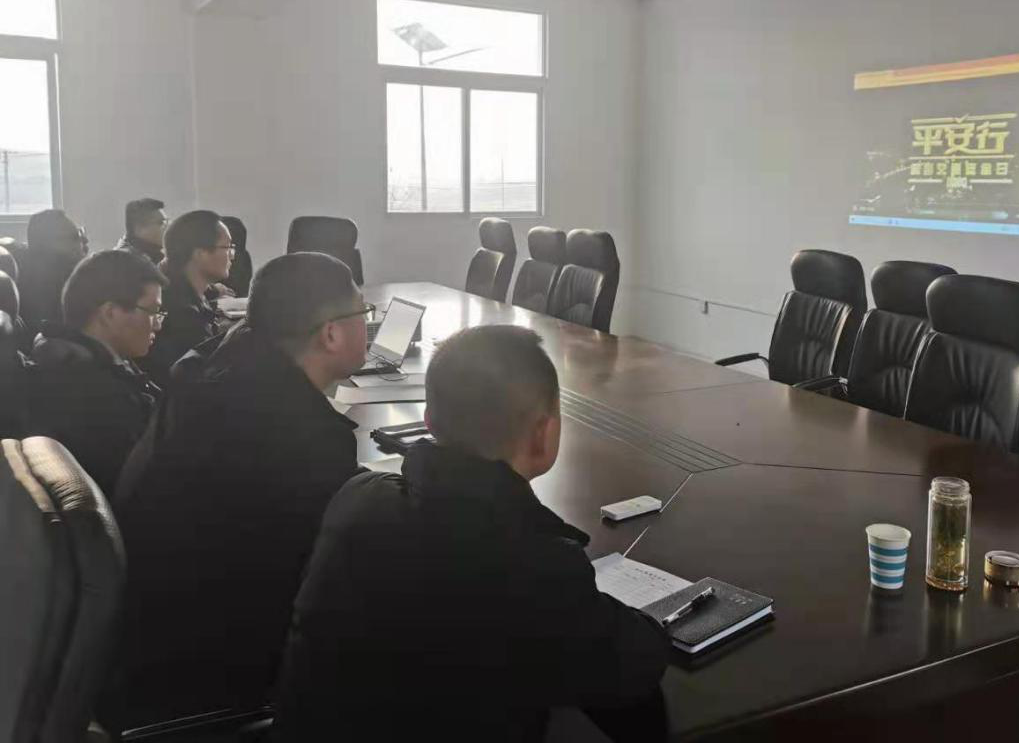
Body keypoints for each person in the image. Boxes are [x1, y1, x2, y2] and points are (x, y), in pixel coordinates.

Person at [274, 326, 670, 743]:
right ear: (543, 434)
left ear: (429, 421)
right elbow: (633, 664)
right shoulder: (535, 564)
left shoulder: (358, 497)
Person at [108, 252, 367, 730]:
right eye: (362, 314)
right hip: (212, 668)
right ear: (330, 334)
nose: (367, 326)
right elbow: (326, 579)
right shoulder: (303, 435)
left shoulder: (206, 369)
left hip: (150, 635)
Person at [28, 251, 165, 497]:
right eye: (152, 311)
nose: (158, 323)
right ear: (110, 313)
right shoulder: (95, 394)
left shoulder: (84, 358)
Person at [143, 209, 234, 383]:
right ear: (199, 253)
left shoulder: (187, 291)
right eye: (227, 247)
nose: (232, 255)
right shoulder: (181, 312)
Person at [13, 208, 87, 332]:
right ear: (48, 246)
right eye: (75, 237)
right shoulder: (62, 289)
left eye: (81, 233)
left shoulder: (30, 274)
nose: (85, 241)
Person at [115, 198, 167, 266]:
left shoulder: (154, 256)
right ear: (139, 228)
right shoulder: (126, 262)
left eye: (167, 222)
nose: (167, 227)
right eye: (161, 223)